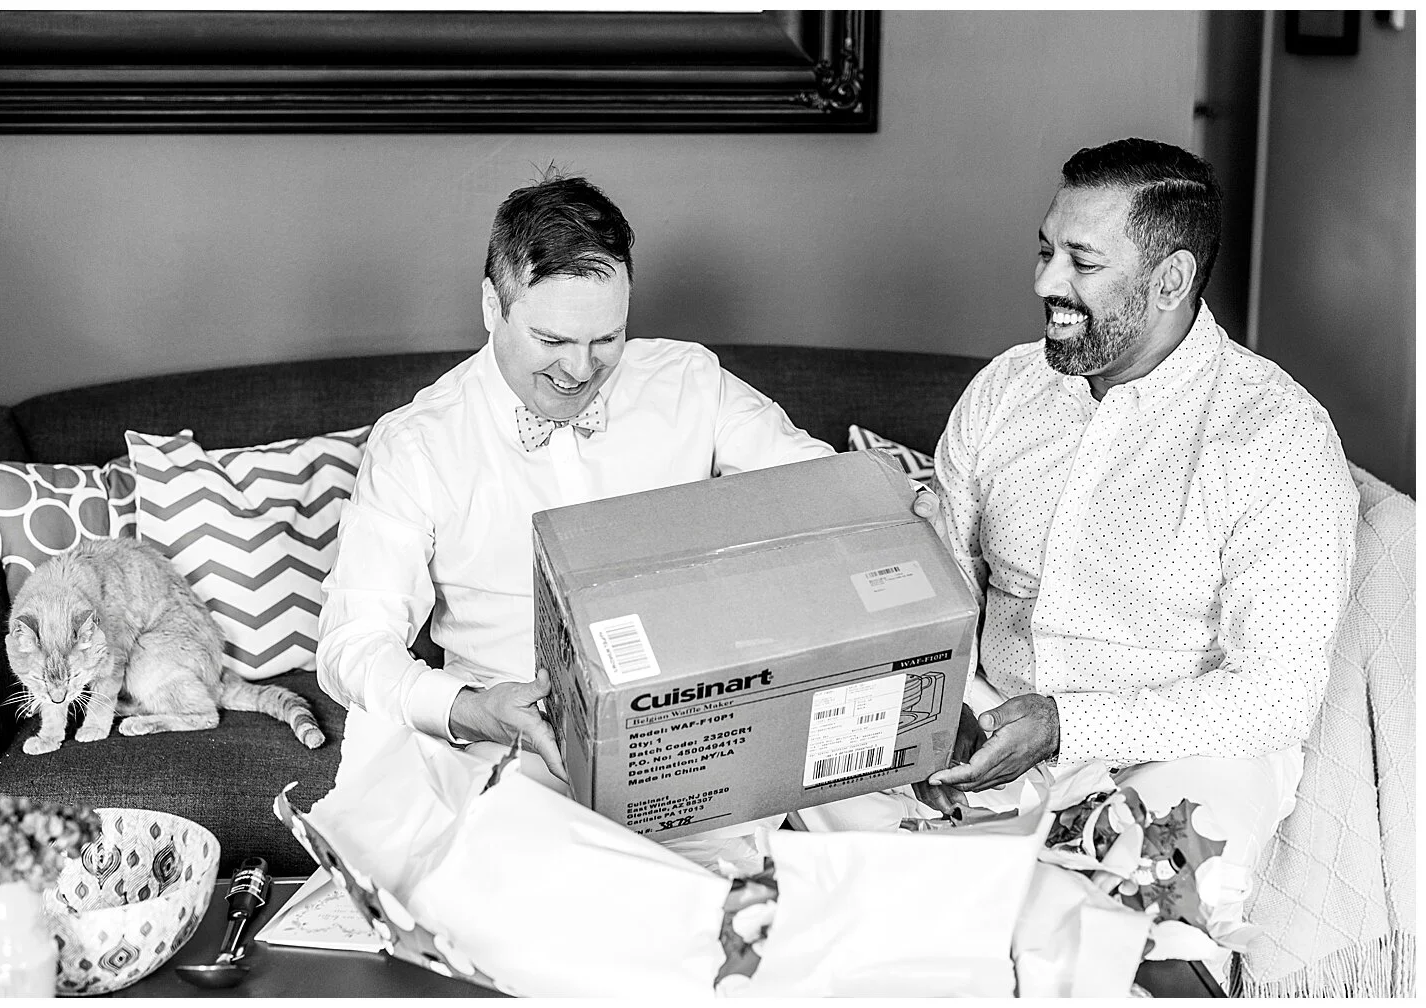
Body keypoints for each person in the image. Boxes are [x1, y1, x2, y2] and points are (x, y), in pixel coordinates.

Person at [919, 137, 1358, 974]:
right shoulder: (1006, 390)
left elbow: (1275, 696)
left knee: (1128, 955)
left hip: (1179, 761)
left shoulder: (1277, 439)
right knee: (833, 896)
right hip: (986, 732)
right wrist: (937, 707)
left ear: (1169, 280)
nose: (1044, 284)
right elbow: (938, 583)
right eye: (1046, 251)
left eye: (1081, 262)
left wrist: (1065, 725)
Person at [316, 171, 835, 783]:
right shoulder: (414, 445)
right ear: (492, 307)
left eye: (607, 338)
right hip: (510, 759)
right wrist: (473, 710)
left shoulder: (691, 382)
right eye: (552, 339)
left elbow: (824, 486)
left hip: (696, 734)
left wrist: (905, 501)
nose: (581, 370)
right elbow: (352, 646)